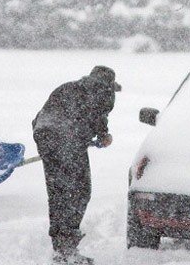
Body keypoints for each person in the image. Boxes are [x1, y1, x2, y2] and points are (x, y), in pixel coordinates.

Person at [32, 66, 121, 264]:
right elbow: (98, 115)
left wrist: (49, 146)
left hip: (44, 135)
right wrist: (103, 135)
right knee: (79, 192)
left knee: (58, 193)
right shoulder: (103, 90)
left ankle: (61, 248)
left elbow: (40, 118)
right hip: (66, 140)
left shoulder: (67, 87)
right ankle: (66, 251)